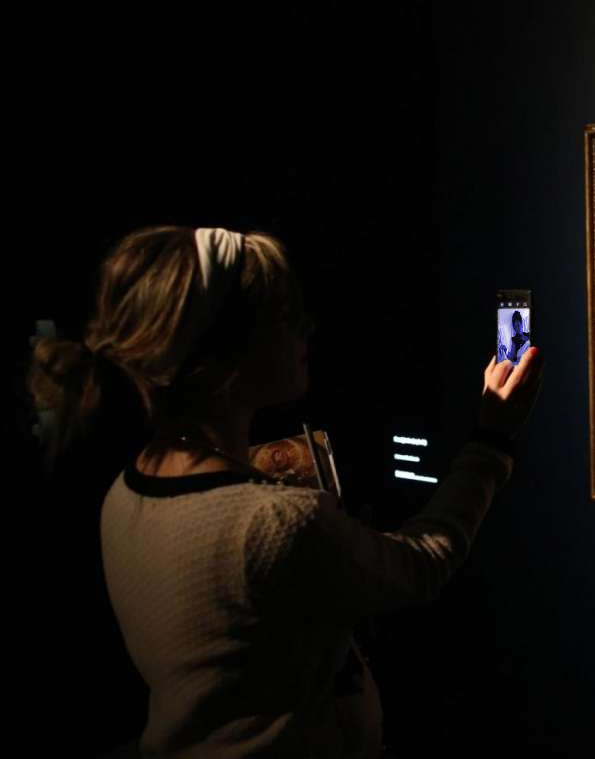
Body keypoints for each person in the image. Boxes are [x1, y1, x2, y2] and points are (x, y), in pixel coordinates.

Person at [27, 226, 544, 758]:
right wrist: (491, 439)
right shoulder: (276, 522)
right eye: (283, 315)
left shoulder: (125, 491)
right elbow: (421, 566)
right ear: (223, 353)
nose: (305, 326)